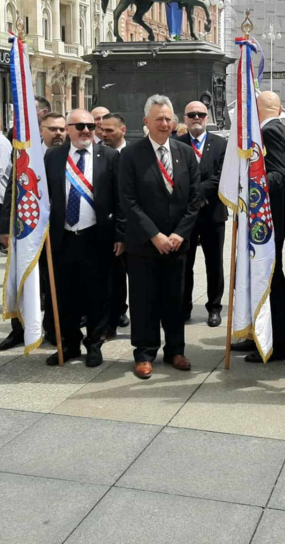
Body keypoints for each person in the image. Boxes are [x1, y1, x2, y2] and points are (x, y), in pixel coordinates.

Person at [118, 94, 199, 379]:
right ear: (146, 122)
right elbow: (128, 201)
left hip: (177, 244)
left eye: (168, 119)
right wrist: (155, 235)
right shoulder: (130, 154)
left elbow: (194, 199)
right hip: (144, 244)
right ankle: (144, 352)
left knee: (175, 299)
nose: (164, 124)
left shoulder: (185, 152)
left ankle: (176, 350)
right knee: (144, 300)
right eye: (158, 119)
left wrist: (178, 233)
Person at [43, 109, 124, 366]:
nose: (87, 130)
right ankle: (69, 344)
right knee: (65, 295)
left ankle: (94, 343)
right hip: (62, 238)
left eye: (91, 125)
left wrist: (120, 234)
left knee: (98, 295)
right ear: (68, 128)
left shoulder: (109, 157)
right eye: (80, 126)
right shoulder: (52, 157)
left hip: (96, 237)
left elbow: (121, 199)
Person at [0, 112, 67, 351]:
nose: (58, 133)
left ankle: (52, 330)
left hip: (58, 232)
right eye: (52, 129)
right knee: (23, 279)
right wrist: (5, 229)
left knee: (53, 283)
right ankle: (19, 330)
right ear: (41, 131)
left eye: (61, 129)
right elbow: (11, 194)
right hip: (27, 230)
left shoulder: (69, 155)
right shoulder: (25, 156)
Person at [240, 91, 285, 362]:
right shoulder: (282, 130)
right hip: (274, 218)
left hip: (269, 220)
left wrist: (248, 183)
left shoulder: (270, 133)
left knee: (271, 279)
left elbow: (280, 175)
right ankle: (261, 336)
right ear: (280, 107)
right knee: (269, 278)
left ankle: (276, 343)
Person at [178, 100, 227, 327]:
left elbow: (221, 176)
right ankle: (183, 307)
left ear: (208, 118)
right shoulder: (176, 143)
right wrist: (193, 197)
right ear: (185, 118)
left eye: (201, 114)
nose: (196, 118)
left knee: (214, 263)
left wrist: (197, 193)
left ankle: (214, 307)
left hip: (213, 213)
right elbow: (175, 177)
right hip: (185, 216)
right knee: (184, 264)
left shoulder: (220, 144)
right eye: (192, 114)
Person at [98, 112, 130, 339]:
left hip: (134, 227)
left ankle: (124, 311)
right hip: (108, 227)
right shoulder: (97, 155)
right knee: (110, 275)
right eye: (102, 129)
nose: (103, 134)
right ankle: (111, 317)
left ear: (123, 130)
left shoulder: (134, 154)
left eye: (110, 130)